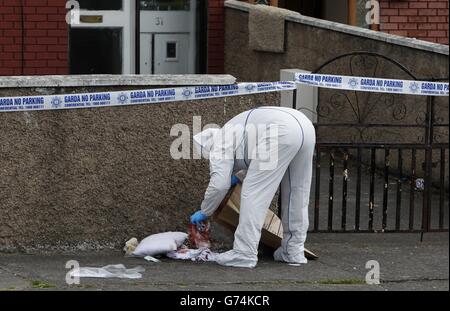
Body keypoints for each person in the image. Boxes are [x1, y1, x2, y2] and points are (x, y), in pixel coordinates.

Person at [191, 106, 316, 268]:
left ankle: (244, 253)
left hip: (279, 130)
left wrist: (204, 211)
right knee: (297, 191)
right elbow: (251, 161)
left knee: (253, 193)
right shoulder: (233, 132)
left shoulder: (218, 145)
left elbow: (219, 185)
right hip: (305, 126)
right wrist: (237, 178)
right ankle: (292, 251)